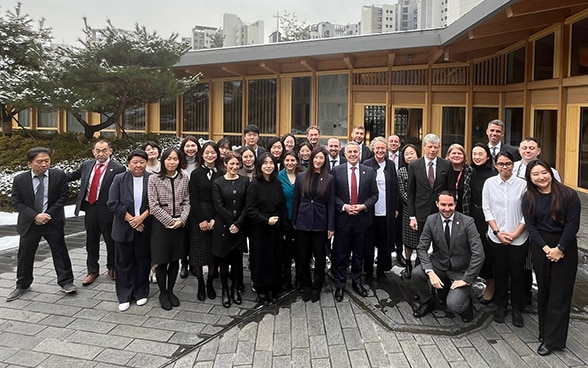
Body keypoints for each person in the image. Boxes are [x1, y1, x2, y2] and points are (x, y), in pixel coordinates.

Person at [523, 159, 581, 356]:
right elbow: (531, 225)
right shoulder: (529, 196)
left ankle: (552, 341)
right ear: (530, 178)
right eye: (536, 174)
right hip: (541, 246)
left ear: (550, 172)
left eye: (544, 172)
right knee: (544, 291)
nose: (541, 177)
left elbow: (573, 225)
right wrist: (547, 248)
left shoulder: (568, 194)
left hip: (565, 246)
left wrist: (560, 248)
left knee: (560, 293)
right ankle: (544, 331)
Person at [6, 147, 77, 302]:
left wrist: (47, 214)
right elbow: (15, 202)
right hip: (30, 223)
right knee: (25, 254)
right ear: (29, 164)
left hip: (52, 221)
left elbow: (63, 197)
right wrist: (35, 216)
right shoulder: (20, 180)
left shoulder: (58, 175)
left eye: (47, 161)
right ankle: (23, 284)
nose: (44, 164)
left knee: (60, 252)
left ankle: (66, 282)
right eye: (40, 162)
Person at [411, 191, 484, 323]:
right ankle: (428, 302)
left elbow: (478, 253)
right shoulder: (431, 220)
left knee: (453, 305)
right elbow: (421, 248)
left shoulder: (467, 222)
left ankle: (467, 304)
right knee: (416, 273)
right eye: (443, 204)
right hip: (439, 264)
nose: (447, 208)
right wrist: (430, 272)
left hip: (460, 270)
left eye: (450, 205)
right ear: (437, 204)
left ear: (455, 204)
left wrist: (466, 279)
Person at [68, 139, 125, 286]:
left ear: (110, 151)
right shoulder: (87, 165)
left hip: (108, 211)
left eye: (104, 150)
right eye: (97, 151)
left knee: (110, 241)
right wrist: (52, 175)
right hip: (90, 208)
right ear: (93, 151)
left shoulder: (118, 168)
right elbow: (72, 176)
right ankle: (92, 270)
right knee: (91, 241)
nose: (101, 154)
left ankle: (112, 267)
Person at [482, 151, 528, 327]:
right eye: (501, 164)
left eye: (508, 163)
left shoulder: (522, 185)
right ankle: (501, 306)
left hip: (519, 237)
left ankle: (517, 308)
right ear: (495, 165)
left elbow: (527, 212)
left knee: (517, 274)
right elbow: (487, 210)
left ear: (513, 165)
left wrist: (516, 233)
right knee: (499, 272)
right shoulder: (490, 183)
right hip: (497, 236)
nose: (505, 167)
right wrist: (497, 232)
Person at [332, 142, 378, 301]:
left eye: (355, 152)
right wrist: (344, 206)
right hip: (343, 219)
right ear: (344, 154)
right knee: (341, 254)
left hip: (361, 220)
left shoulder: (369, 172)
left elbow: (374, 195)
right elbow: (333, 196)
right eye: (349, 152)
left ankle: (357, 282)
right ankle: (340, 284)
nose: (353, 154)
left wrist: (363, 206)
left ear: (360, 153)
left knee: (359, 253)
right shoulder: (336, 171)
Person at [107, 149, 152, 311]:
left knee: (143, 260)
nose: (138, 165)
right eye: (135, 162)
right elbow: (113, 203)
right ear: (128, 164)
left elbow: (155, 203)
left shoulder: (151, 179)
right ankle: (124, 294)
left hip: (144, 227)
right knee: (123, 262)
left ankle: (141, 292)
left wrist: (141, 218)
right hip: (123, 228)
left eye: (142, 162)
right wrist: (132, 220)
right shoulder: (119, 179)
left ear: (146, 163)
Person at [148, 148, 190, 310]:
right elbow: (153, 205)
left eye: (175, 159)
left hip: (179, 225)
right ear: (163, 160)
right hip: (161, 226)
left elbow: (187, 201)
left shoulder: (184, 177)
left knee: (175, 260)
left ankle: (171, 290)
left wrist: (181, 220)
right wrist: (169, 220)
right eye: (169, 159)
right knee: (162, 261)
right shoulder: (154, 178)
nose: (172, 162)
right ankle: (163, 292)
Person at [292, 147, 335, 302]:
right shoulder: (301, 176)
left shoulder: (329, 178)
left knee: (320, 257)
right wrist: (294, 221)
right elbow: (296, 200)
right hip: (303, 222)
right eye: (315, 158)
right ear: (311, 159)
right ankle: (306, 285)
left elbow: (331, 204)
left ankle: (317, 285)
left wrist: (331, 226)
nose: (318, 160)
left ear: (324, 161)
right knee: (302, 256)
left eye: (321, 158)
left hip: (320, 223)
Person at [246, 152, 287, 305]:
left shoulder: (276, 183)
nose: (268, 166)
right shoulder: (254, 185)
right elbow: (250, 209)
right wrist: (266, 220)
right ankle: (261, 288)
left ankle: (273, 286)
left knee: (275, 257)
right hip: (259, 227)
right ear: (259, 166)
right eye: (265, 163)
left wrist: (282, 227)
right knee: (260, 258)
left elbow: (282, 206)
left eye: (271, 163)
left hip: (275, 226)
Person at [212, 151, 250, 308]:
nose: (234, 166)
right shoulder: (218, 183)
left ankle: (235, 288)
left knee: (237, 261)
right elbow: (218, 206)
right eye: (231, 163)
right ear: (225, 164)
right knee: (223, 260)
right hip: (224, 227)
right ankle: (225, 290)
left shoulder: (245, 180)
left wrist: (239, 223)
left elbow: (248, 204)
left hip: (239, 227)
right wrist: (231, 223)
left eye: (237, 163)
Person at [189, 141, 223, 301]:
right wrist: (201, 220)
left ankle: (210, 282)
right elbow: (193, 199)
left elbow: (223, 199)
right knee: (197, 253)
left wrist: (215, 219)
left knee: (212, 253)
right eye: (207, 152)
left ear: (217, 154)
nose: (210, 155)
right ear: (202, 155)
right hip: (198, 214)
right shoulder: (196, 174)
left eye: (213, 152)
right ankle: (200, 283)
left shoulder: (221, 172)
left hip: (217, 213)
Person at [363, 137, 401, 282]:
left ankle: (381, 270)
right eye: (377, 148)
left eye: (382, 148)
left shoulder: (390, 165)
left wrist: (396, 207)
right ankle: (368, 271)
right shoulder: (367, 164)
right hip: (371, 210)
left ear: (386, 150)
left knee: (384, 242)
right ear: (373, 149)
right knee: (369, 241)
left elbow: (395, 187)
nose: (380, 151)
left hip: (387, 210)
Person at [407, 133, 451, 239]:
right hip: (421, 211)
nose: (433, 150)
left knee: (440, 243)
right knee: (422, 244)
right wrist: (412, 216)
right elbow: (411, 193)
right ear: (424, 146)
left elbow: (450, 189)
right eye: (430, 147)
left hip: (440, 211)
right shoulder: (414, 165)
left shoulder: (446, 164)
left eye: (435, 147)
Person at [469, 143, 497, 303]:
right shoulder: (469, 172)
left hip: (488, 218)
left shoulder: (493, 174)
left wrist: (491, 225)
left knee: (488, 253)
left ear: (487, 156)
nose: (477, 157)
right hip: (472, 216)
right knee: (475, 251)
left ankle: (491, 286)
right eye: (474, 154)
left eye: (480, 154)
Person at [278, 150, 302, 290]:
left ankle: (299, 277)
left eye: (293, 160)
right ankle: (286, 278)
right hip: (285, 220)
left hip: (301, 220)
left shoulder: (302, 175)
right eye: (287, 160)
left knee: (300, 251)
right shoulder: (279, 176)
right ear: (283, 161)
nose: (290, 163)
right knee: (285, 252)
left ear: (297, 161)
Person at [179, 136, 201, 279]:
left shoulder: (201, 163)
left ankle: (194, 263)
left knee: (195, 236)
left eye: (193, 146)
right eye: (187, 146)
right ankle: (184, 263)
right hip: (182, 205)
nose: (190, 149)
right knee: (183, 236)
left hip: (197, 204)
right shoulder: (179, 164)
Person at [397, 144, 420, 278]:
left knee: (420, 238)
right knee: (408, 239)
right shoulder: (401, 172)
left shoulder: (422, 169)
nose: (409, 156)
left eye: (412, 153)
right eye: (406, 154)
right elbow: (402, 192)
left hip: (423, 209)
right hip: (407, 209)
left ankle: (419, 264)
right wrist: (413, 205)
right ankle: (408, 264)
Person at [445, 143, 473, 215]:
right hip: (446, 209)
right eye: (453, 153)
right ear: (448, 156)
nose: (456, 155)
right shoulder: (443, 170)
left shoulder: (470, 171)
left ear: (464, 156)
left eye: (459, 153)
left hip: (465, 209)